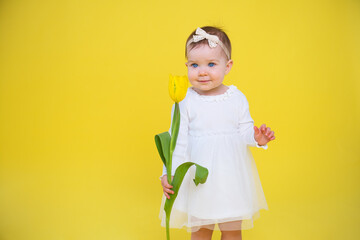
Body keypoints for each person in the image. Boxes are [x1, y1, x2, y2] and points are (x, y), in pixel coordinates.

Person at [159, 26, 275, 240]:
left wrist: (256, 138)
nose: (202, 72)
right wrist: (169, 173)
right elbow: (177, 141)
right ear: (187, 66)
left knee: (231, 230)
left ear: (227, 66)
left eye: (211, 64)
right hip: (199, 178)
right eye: (195, 65)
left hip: (230, 176)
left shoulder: (236, 97)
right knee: (201, 230)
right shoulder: (184, 100)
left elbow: (244, 130)